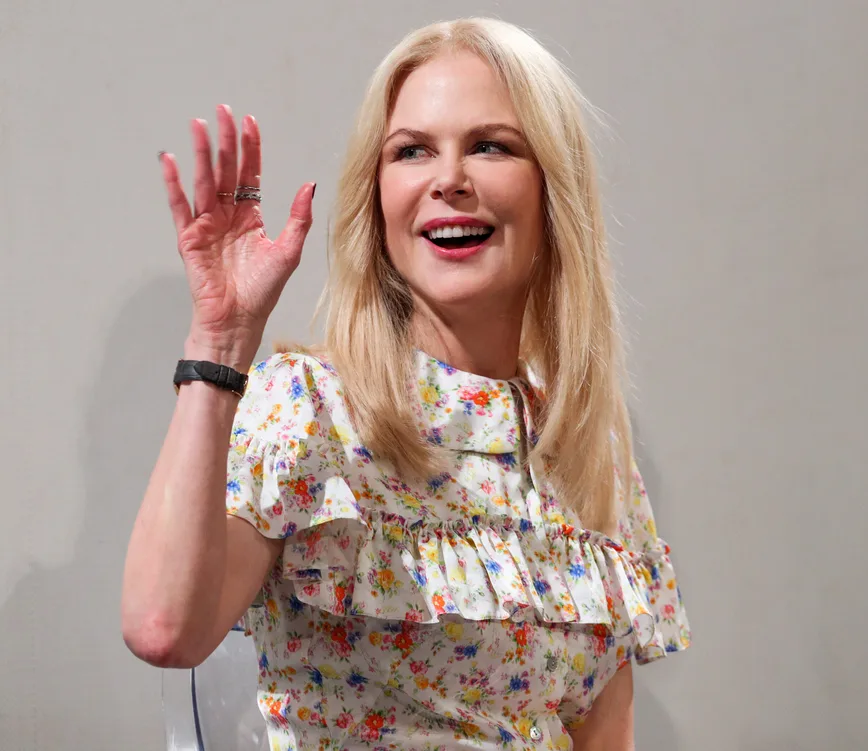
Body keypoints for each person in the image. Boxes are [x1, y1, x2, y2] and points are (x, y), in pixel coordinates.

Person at [122, 17, 691, 751]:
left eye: (490, 146)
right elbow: (164, 627)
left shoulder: (588, 443)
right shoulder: (310, 404)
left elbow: (604, 735)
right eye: (412, 150)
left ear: (555, 193)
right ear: (379, 197)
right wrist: (220, 344)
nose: (447, 179)